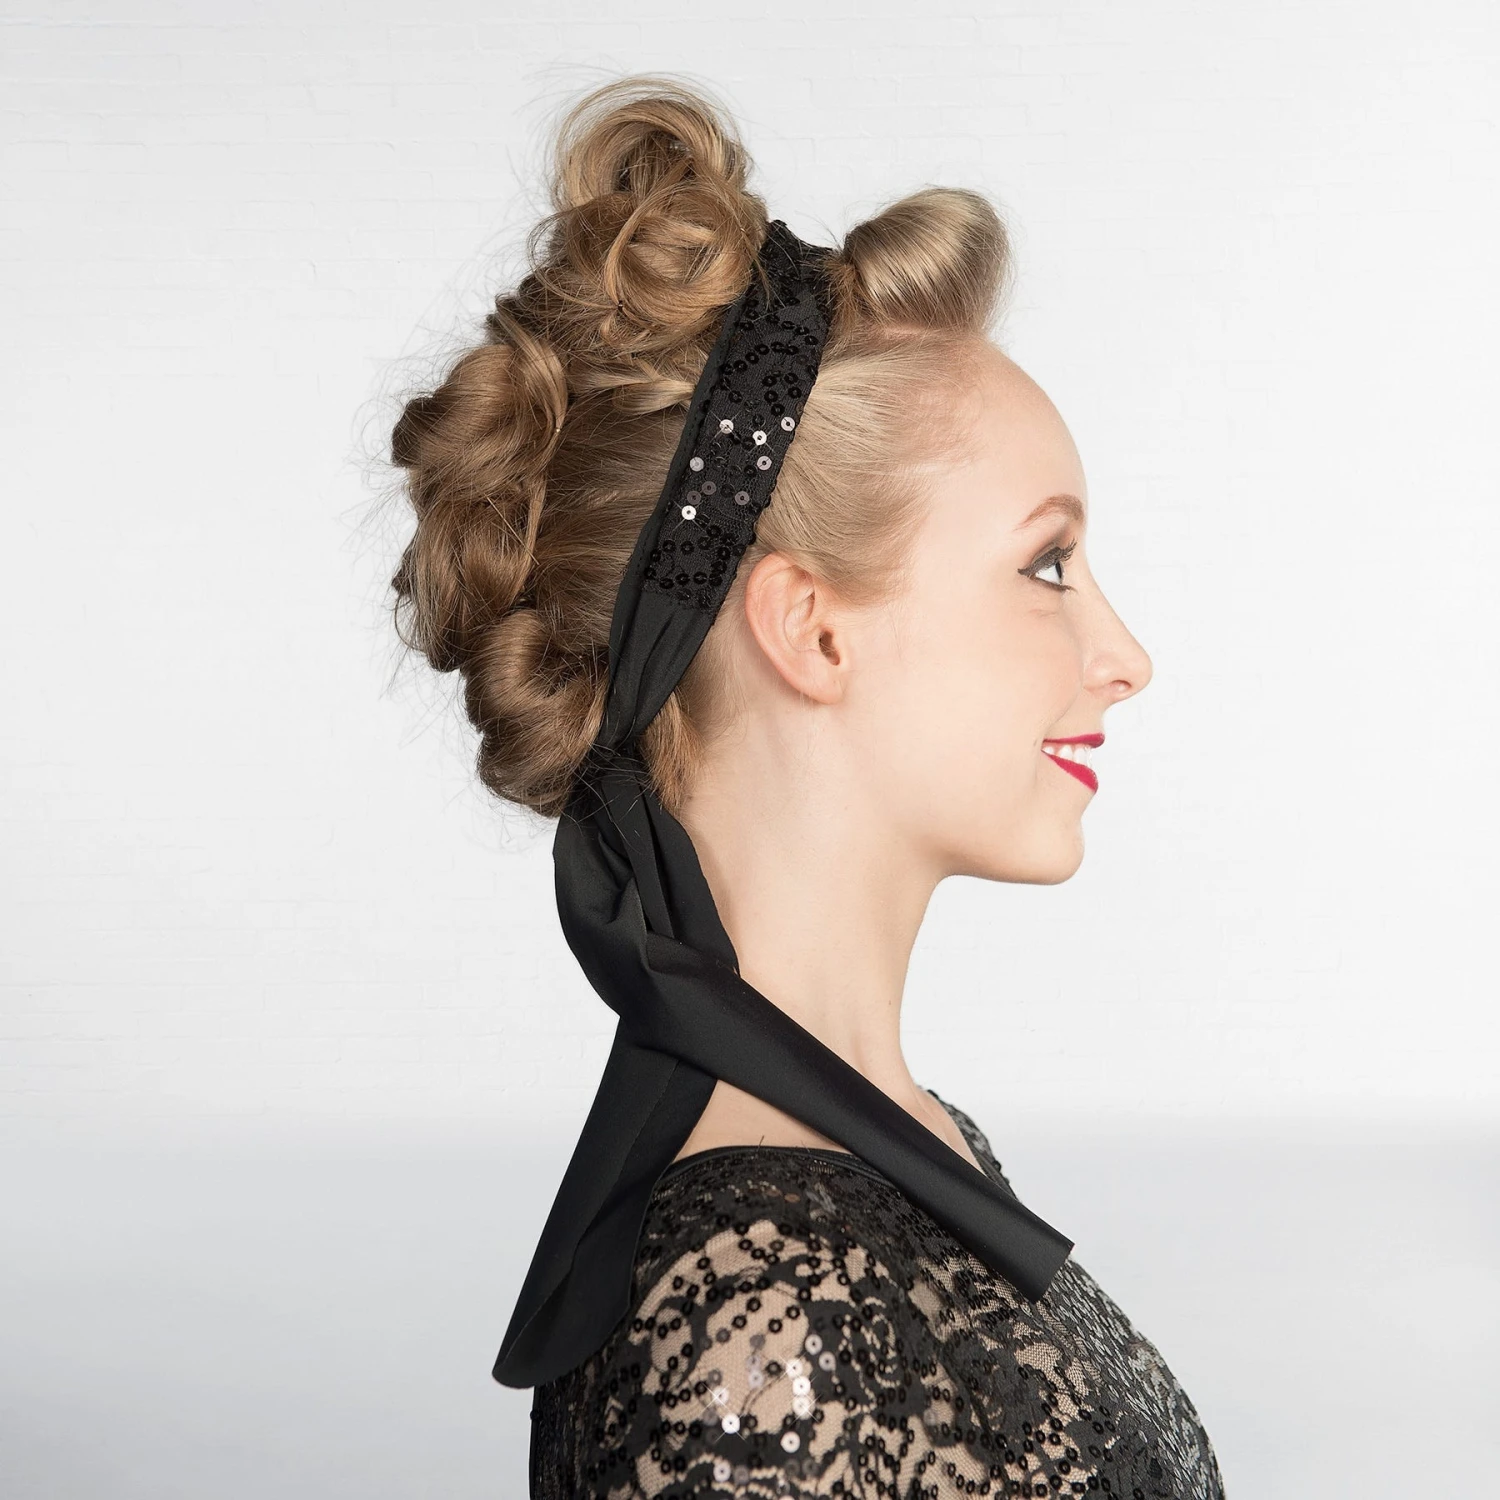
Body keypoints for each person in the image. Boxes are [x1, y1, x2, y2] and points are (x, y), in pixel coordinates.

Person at [388, 73, 1225, 1499]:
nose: (1125, 657)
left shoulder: (897, 1153)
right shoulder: (757, 1335)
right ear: (812, 629)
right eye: (1045, 565)